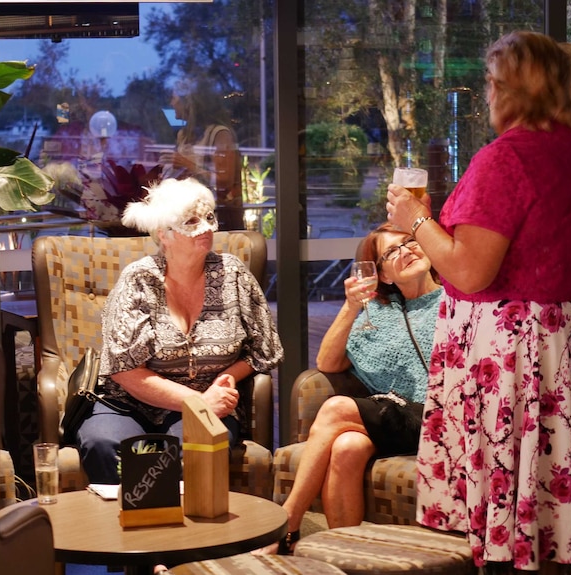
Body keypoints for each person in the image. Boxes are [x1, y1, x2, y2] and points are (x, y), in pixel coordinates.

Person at [386, 31, 571, 574]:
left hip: (508, 353)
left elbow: (470, 269)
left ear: (517, 90)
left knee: (501, 522)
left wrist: (414, 220)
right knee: (545, 511)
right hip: (558, 345)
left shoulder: (506, 158)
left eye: (493, 83)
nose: (488, 95)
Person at [76, 177, 283, 485]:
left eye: (210, 218)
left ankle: (193, 532)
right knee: (107, 446)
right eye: (191, 221)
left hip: (209, 398)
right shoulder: (138, 280)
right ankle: (128, 529)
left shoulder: (233, 273)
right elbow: (125, 370)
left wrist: (227, 378)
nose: (207, 228)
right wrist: (197, 401)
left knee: (197, 449)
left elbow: (264, 350)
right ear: (165, 234)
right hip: (129, 404)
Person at [255, 222, 443, 555]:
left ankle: (286, 524)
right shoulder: (379, 314)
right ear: (382, 275)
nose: (406, 251)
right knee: (347, 446)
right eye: (392, 251)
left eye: (410, 242)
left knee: (337, 408)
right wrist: (351, 306)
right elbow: (327, 363)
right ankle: (347, 556)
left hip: (441, 416)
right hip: (397, 416)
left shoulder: (455, 300)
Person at [162, 78, 243, 231]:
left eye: (174, 98)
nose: (172, 103)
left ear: (189, 102)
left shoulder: (219, 134)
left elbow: (224, 181)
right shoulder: (183, 135)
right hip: (188, 216)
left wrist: (187, 165)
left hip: (216, 218)